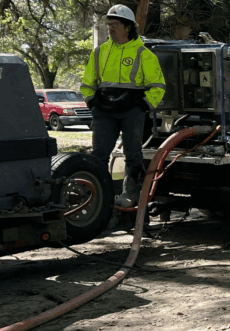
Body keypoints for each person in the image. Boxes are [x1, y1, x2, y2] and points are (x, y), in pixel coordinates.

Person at [81, 4, 165, 208]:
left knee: (133, 154)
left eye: (115, 24)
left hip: (131, 111)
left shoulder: (143, 54)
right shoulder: (100, 52)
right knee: (99, 154)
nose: (110, 28)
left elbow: (158, 85)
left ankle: (130, 195)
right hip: (104, 111)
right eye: (109, 24)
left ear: (128, 27)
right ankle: (97, 195)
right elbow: (87, 83)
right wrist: (92, 102)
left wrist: (143, 106)